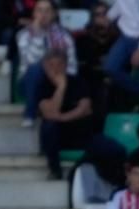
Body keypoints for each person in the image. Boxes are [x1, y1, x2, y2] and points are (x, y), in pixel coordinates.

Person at [34, 50, 96, 180]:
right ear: (45, 66)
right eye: (51, 65)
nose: (56, 69)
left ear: (66, 65)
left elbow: (85, 108)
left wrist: (62, 117)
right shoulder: (42, 85)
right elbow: (50, 112)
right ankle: (55, 170)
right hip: (57, 136)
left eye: (59, 64)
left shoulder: (78, 82)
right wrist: (61, 87)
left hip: (79, 132)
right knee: (49, 126)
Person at [17, 1, 78, 126]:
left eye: (47, 10)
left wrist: (62, 79)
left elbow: (72, 65)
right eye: (39, 10)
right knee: (35, 69)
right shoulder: (23, 35)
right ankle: (30, 114)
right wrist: (38, 34)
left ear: (54, 14)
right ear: (34, 14)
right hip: (31, 81)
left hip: (58, 81)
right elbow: (31, 61)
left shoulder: (65, 36)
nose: (43, 14)